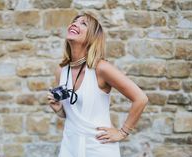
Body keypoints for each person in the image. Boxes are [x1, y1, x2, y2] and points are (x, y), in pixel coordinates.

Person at [47, 12, 148, 157]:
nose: (75, 24)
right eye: (74, 21)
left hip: (99, 147)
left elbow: (141, 98)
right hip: (70, 145)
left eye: (83, 23)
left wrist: (122, 132)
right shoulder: (61, 71)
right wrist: (59, 110)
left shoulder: (101, 68)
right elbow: (74, 114)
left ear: (92, 37)